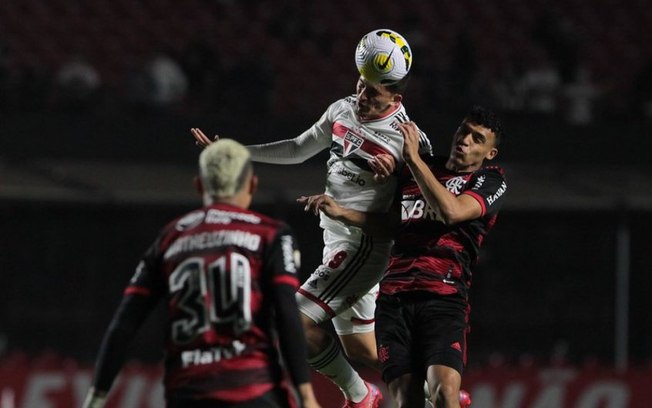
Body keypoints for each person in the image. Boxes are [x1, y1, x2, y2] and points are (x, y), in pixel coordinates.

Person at [191, 59, 432, 407]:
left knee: (293, 320)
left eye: (373, 91)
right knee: (362, 350)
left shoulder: (410, 140)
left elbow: (413, 213)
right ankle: (440, 392)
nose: (362, 94)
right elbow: (298, 148)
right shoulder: (343, 108)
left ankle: (361, 396)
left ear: (396, 94)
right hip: (335, 238)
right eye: (361, 83)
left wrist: (396, 181)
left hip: (363, 245)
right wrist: (238, 153)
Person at [82, 139, 321, 408]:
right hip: (254, 389)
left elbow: (123, 325)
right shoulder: (270, 234)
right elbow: (287, 313)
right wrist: (306, 395)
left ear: (199, 185)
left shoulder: (171, 238)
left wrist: (96, 398)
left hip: (189, 392)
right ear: (252, 184)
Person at [300, 106, 506, 408]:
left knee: (444, 394)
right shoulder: (417, 171)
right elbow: (390, 226)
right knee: (406, 400)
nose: (465, 140)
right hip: (394, 301)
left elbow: (452, 212)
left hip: (443, 299)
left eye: (477, 139)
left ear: (490, 153)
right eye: (464, 130)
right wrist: (343, 213)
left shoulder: (490, 180)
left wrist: (412, 158)